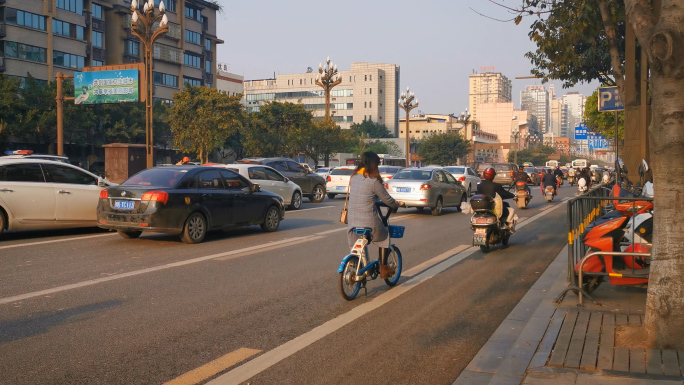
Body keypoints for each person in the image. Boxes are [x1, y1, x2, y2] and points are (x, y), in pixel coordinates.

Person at [347, 151, 404, 278]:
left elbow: (364, 195)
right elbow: (387, 199)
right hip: (368, 221)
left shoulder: (354, 177)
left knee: (359, 242)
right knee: (384, 237)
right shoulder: (373, 181)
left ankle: (356, 262)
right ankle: (383, 269)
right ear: (374, 165)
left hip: (352, 220)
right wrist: (397, 204)